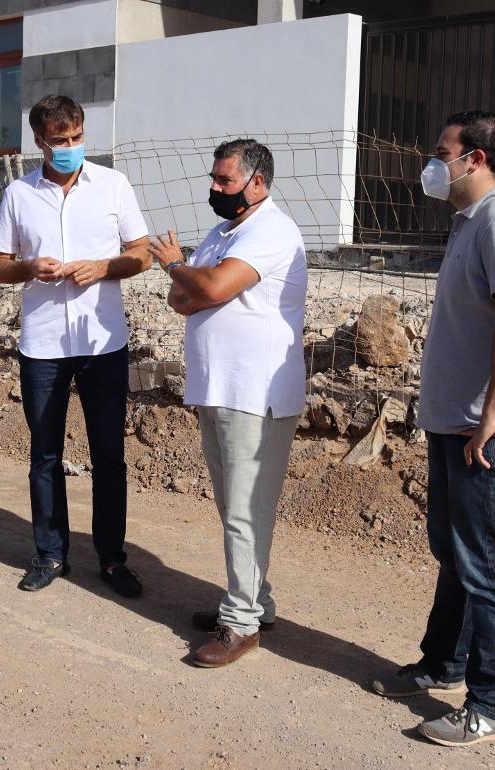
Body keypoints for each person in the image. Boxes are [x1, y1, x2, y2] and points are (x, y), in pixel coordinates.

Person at [371, 111, 495, 747]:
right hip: (457, 427)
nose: (432, 161)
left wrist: (492, 415)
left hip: (487, 434)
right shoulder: (471, 223)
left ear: (473, 158)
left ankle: (490, 704)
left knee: (488, 568)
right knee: (456, 556)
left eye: (440, 151)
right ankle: (441, 665)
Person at [149, 139, 307, 667]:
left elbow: (209, 287)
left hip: (254, 391)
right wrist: (188, 278)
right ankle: (255, 602)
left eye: (225, 181)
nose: (215, 189)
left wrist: (177, 266)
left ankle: (240, 623)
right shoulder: (223, 234)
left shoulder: (272, 231)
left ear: (257, 182)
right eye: (214, 179)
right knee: (233, 507)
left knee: (245, 509)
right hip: (217, 387)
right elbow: (182, 300)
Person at [0, 94, 151, 596]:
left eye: (77, 138)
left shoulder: (113, 185)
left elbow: (141, 255)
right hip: (42, 344)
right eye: (59, 141)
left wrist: (102, 267)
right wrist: (27, 268)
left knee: (109, 455)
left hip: (103, 342)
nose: (70, 148)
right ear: (39, 141)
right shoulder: (19, 194)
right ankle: (51, 554)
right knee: (44, 454)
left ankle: (111, 557)